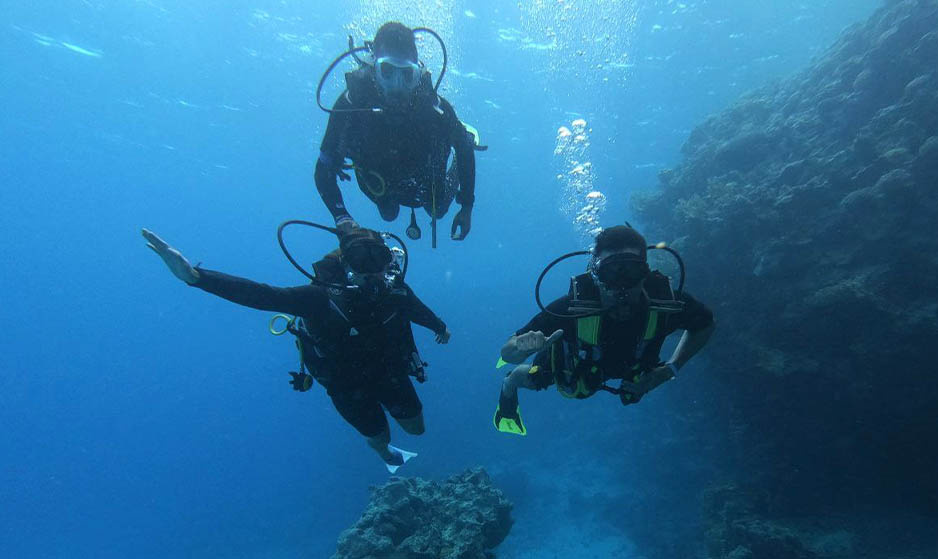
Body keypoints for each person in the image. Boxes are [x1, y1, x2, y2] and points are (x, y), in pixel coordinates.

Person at [141, 227, 450, 471]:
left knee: (417, 429)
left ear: (390, 259)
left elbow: (415, 308)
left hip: (388, 371)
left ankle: (386, 443)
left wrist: (438, 326)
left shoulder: (395, 290)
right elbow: (263, 296)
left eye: (379, 259)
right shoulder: (318, 297)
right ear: (345, 263)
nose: (372, 271)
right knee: (380, 437)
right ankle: (385, 452)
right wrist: (197, 277)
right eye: (360, 261)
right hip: (346, 384)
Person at [493, 225, 715, 435]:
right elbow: (507, 351)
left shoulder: (666, 302)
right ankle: (509, 382)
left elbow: (705, 325)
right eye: (611, 272)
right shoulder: (571, 309)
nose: (622, 285)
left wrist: (669, 370)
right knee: (537, 378)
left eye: (631, 271)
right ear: (595, 275)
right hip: (577, 366)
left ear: (645, 273)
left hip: (635, 366)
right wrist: (521, 349)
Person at [315, 21, 478, 243]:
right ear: (374, 68)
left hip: (424, 177)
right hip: (381, 179)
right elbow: (323, 169)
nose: (398, 86)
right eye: (388, 72)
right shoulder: (351, 105)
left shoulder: (435, 109)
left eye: (407, 75)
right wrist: (343, 219)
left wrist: (466, 205)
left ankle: (463, 135)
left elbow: (465, 149)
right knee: (388, 214)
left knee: (437, 210)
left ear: (417, 74)